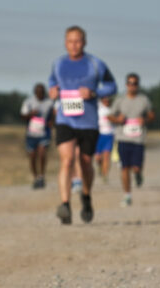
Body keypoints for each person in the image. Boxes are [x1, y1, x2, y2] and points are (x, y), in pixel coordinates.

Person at [49, 26, 117, 224]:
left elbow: (112, 86)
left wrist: (94, 93)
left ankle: (86, 197)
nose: (74, 45)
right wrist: (52, 91)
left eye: (78, 41)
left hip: (88, 122)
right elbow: (52, 83)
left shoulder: (95, 64)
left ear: (84, 43)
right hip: (65, 120)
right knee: (67, 160)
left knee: (86, 162)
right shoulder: (58, 64)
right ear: (64, 42)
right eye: (70, 41)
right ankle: (65, 205)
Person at [108, 73, 154, 207]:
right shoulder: (120, 100)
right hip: (123, 137)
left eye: (135, 83)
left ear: (138, 85)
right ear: (126, 84)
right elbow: (109, 116)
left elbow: (152, 115)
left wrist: (145, 119)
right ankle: (127, 195)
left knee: (136, 167)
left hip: (138, 139)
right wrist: (117, 119)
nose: (132, 86)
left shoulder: (144, 100)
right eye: (130, 83)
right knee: (124, 167)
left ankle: (138, 174)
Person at [20, 83, 54, 188]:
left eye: (42, 92)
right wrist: (31, 114)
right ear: (35, 92)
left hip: (44, 133)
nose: (40, 94)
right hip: (31, 134)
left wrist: (52, 122)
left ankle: (42, 176)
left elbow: (55, 114)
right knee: (32, 156)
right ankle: (35, 177)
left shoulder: (49, 102)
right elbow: (22, 115)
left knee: (42, 153)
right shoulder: (28, 102)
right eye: (38, 92)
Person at [94, 96, 115, 182]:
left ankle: (105, 175)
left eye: (108, 99)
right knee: (98, 158)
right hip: (98, 134)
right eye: (105, 99)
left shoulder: (113, 109)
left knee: (106, 156)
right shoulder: (98, 107)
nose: (106, 100)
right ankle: (100, 166)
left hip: (109, 135)